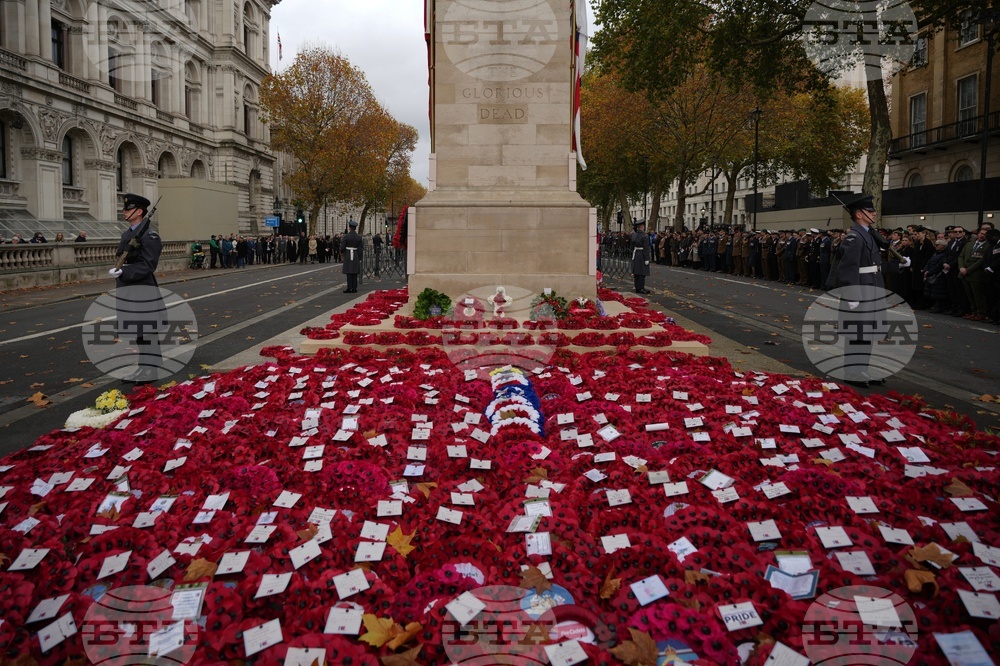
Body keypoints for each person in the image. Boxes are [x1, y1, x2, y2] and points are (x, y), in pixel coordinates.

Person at [108, 193, 163, 384]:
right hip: (129, 289)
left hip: (142, 289)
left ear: (139, 211)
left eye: (128, 209)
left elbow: (148, 265)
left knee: (147, 332)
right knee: (139, 333)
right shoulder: (128, 234)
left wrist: (124, 271)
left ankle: (151, 370)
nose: (124, 212)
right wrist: (119, 269)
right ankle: (143, 368)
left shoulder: (150, 235)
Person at [341, 220, 363, 293]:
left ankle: (349, 287)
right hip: (355, 254)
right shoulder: (359, 237)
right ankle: (354, 287)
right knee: (355, 272)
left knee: (349, 272)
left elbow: (342, 247)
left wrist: (342, 253)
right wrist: (359, 257)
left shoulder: (346, 236)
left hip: (348, 254)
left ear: (350, 228)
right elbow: (360, 248)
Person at [630, 219, 651, 294]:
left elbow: (631, 246)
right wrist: (647, 258)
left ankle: (637, 287)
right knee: (642, 272)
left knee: (636, 272)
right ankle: (641, 288)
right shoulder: (645, 236)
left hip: (636, 254)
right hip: (642, 254)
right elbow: (646, 247)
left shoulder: (634, 235)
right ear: (642, 227)